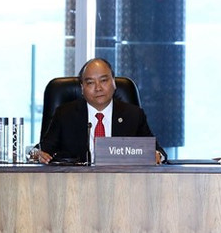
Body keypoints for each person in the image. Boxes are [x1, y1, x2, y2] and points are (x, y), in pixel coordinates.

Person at [37, 58, 165, 164]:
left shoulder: (134, 115)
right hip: (76, 186)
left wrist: (157, 155)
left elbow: (157, 151)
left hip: (121, 184)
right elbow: (43, 150)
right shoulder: (65, 115)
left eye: (104, 80)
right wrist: (38, 155)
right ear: (82, 88)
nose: (98, 88)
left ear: (114, 83)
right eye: (91, 83)